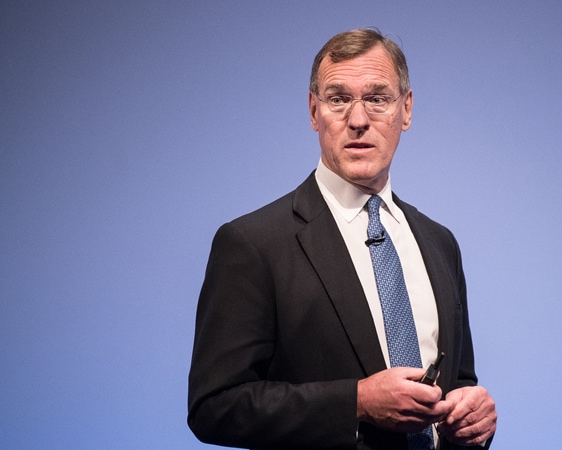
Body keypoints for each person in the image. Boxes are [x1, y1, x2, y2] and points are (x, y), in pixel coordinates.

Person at [188, 28, 497, 450]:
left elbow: (458, 383)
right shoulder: (252, 244)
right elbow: (214, 406)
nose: (358, 120)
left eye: (377, 98)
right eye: (338, 99)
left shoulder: (440, 243)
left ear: (406, 110)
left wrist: (473, 418)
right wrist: (356, 402)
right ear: (314, 111)